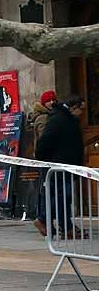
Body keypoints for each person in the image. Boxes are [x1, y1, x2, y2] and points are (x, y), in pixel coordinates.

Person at [35, 95, 86, 238]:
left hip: (68, 165)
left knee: (64, 197)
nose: (82, 113)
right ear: (73, 107)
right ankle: (43, 219)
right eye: (81, 109)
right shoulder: (57, 120)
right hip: (58, 166)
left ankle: (66, 227)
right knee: (62, 196)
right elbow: (44, 142)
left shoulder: (69, 119)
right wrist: (42, 158)